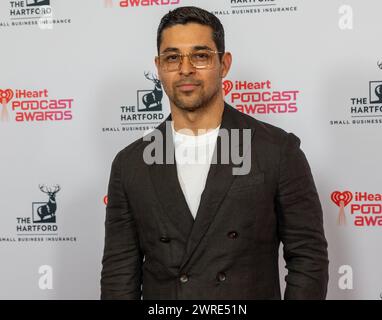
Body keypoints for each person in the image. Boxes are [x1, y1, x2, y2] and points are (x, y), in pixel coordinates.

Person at [101, 6, 329, 300]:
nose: (185, 69)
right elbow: (120, 273)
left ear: (224, 63)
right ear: (158, 67)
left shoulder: (277, 150)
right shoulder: (130, 164)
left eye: (200, 56)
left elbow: (308, 259)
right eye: (173, 57)